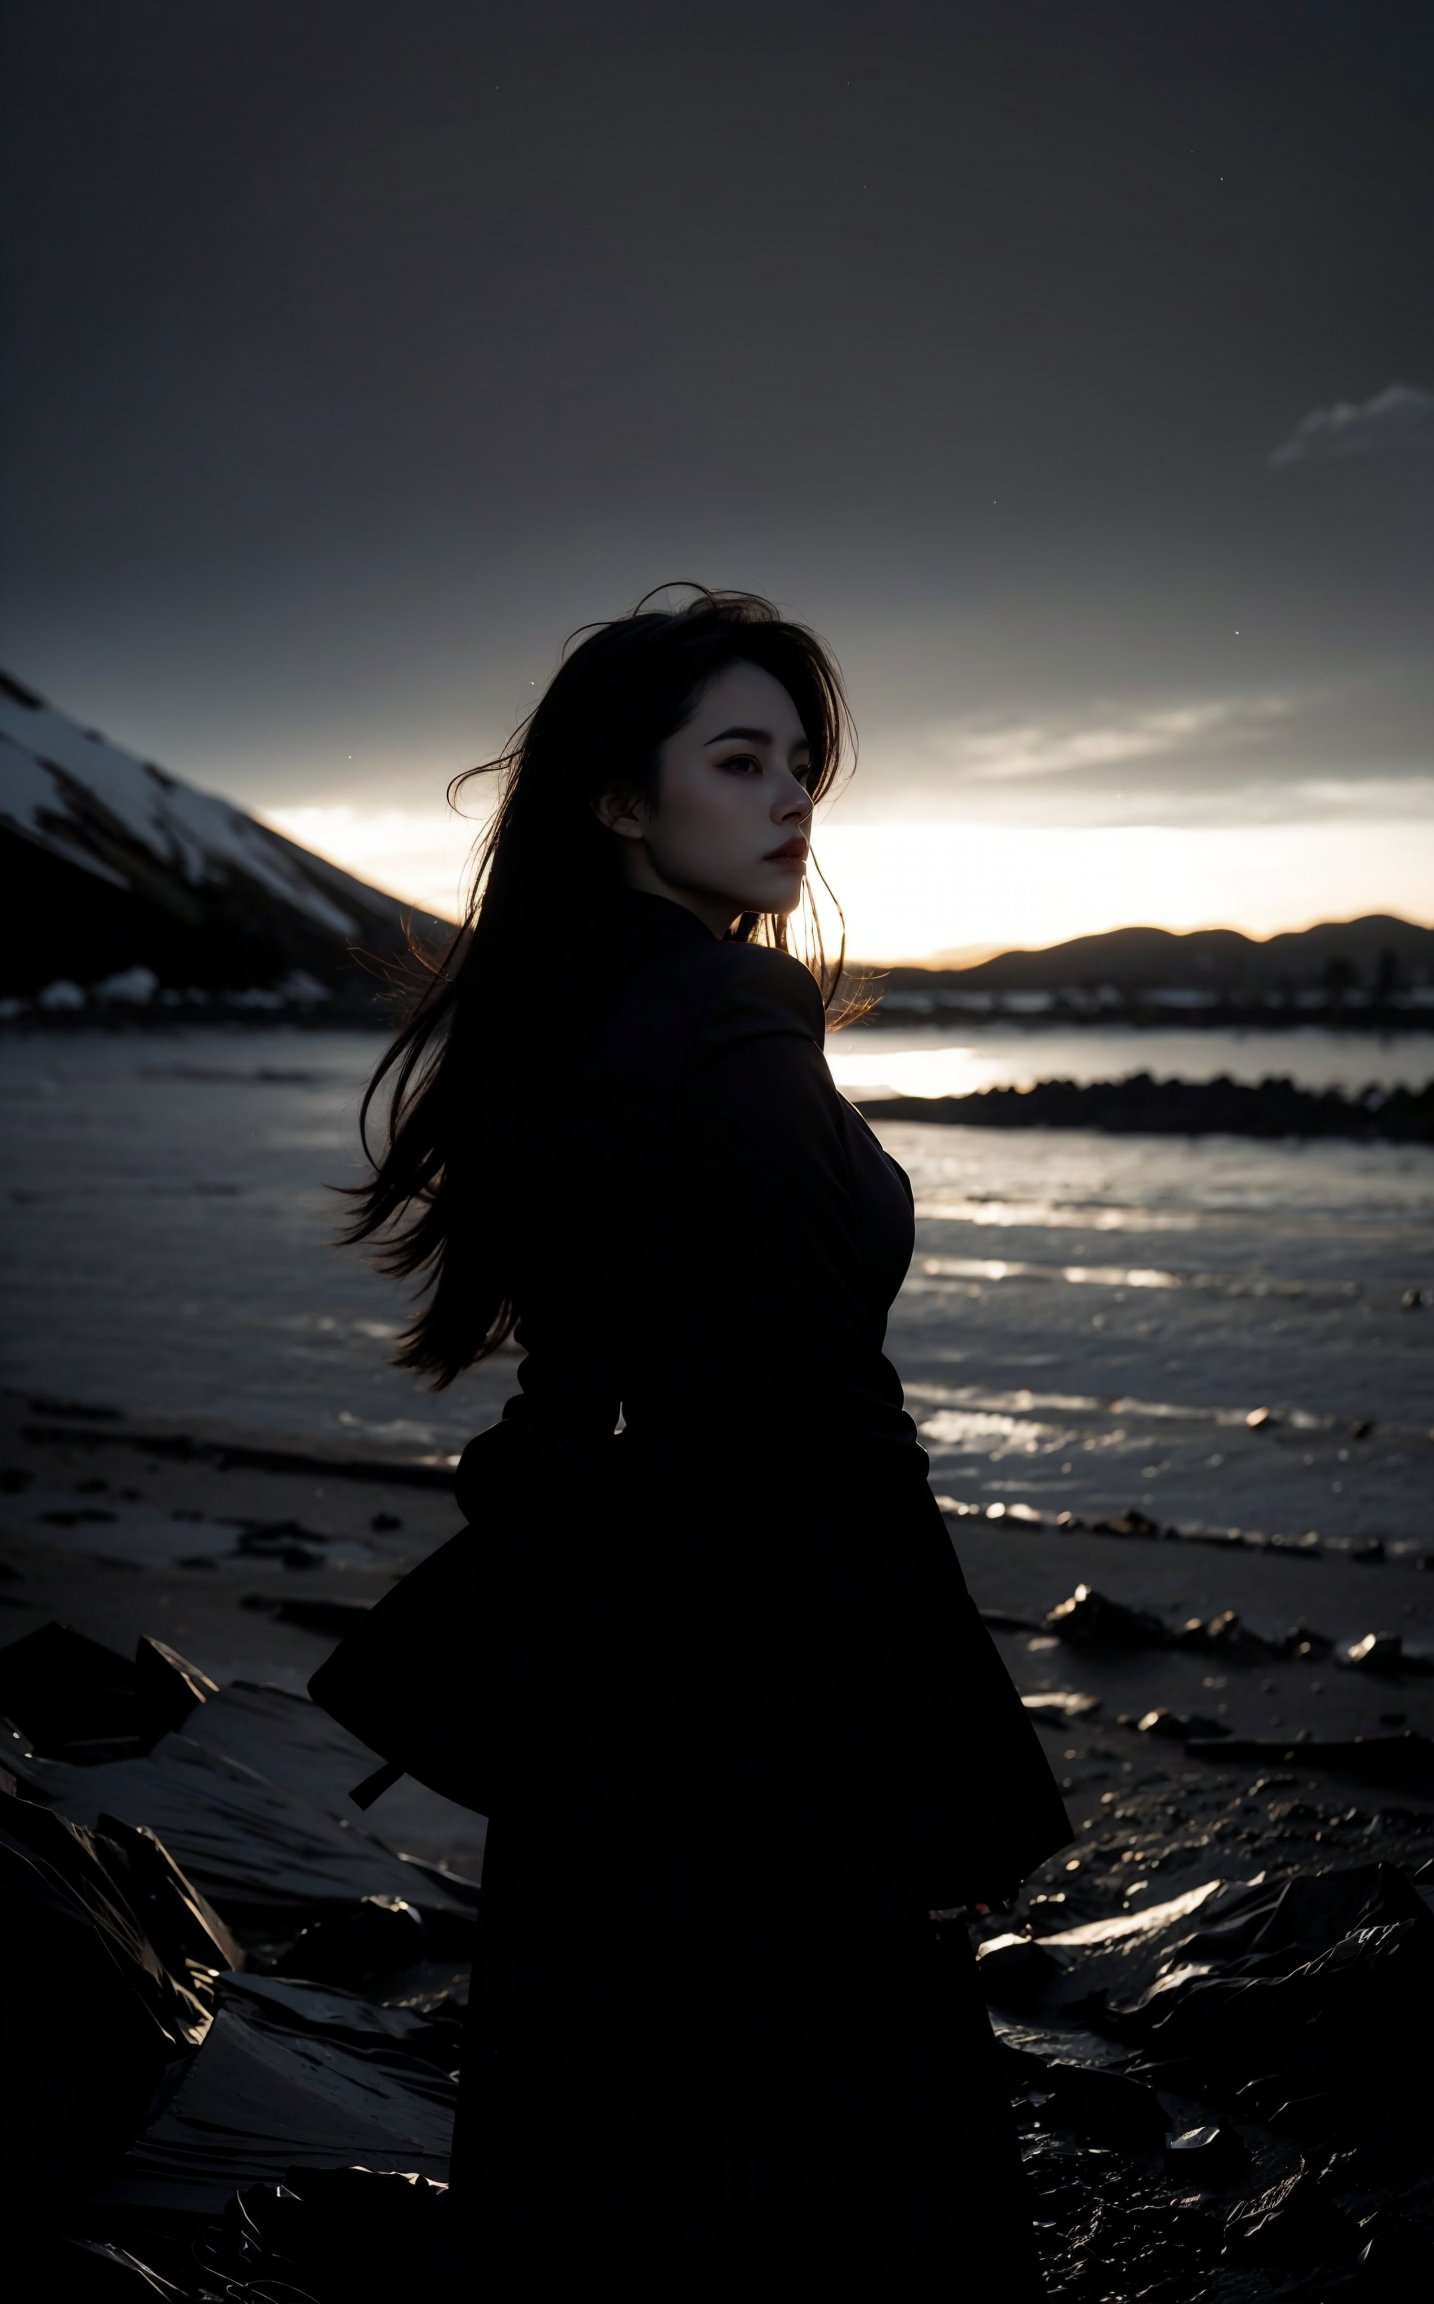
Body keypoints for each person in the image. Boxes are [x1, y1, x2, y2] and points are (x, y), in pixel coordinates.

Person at [329, 583, 1074, 2285]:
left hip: (618, 1667)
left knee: (608, 2138)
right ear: (619, 797)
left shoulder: (563, 1013)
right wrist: (936, 1743)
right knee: (856, 2167)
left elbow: (563, 1388)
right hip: (764, 1677)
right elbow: (825, 1422)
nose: (793, 797)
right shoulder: (730, 1017)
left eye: (803, 763)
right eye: (740, 761)